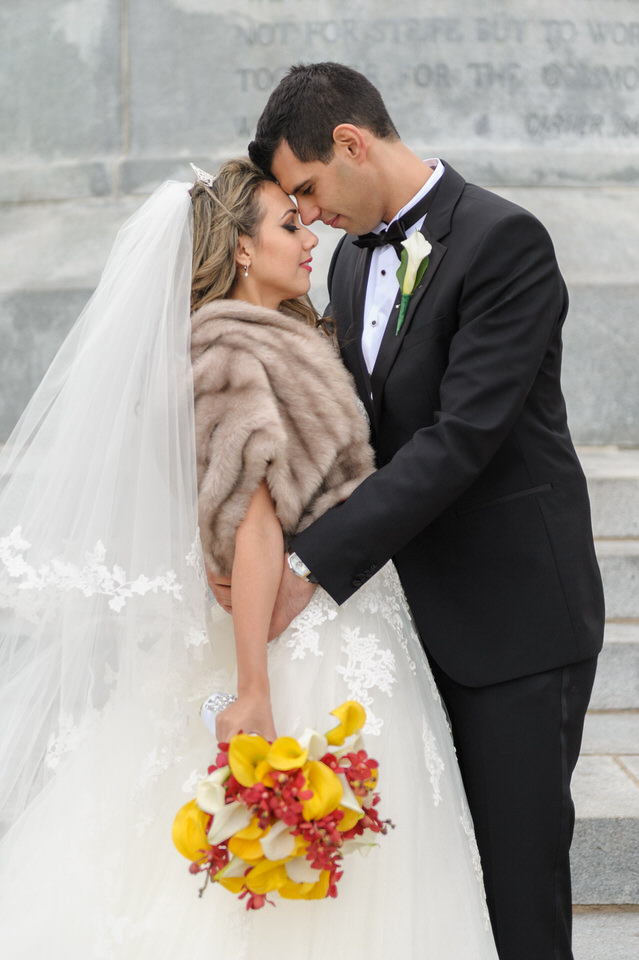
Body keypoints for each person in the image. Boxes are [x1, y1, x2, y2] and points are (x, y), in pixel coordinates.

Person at [0, 159, 499, 959]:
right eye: (288, 225)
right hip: (293, 639)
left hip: (346, 624)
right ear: (238, 248)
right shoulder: (229, 350)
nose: (311, 237)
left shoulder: (287, 335)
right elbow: (253, 526)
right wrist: (256, 689)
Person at [240, 62, 606, 960]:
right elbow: (354, 432)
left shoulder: (503, 242)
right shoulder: (357, 262)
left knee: (517, 886)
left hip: (514, 620)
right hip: (407, 625)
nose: (311, 216)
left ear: (353, 144)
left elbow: (459, 441)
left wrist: (307, 565)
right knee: (434, 890)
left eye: (309, 189)